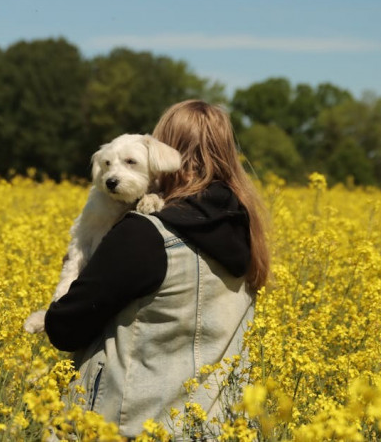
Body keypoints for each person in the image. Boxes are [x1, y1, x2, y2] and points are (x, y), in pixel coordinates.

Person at [44, 99, 270, 437]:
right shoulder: (246, 233)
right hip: (216, 429)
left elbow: (64, 328)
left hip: (130, 427)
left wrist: (74, 265)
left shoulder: (145, 234)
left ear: (162, 156)